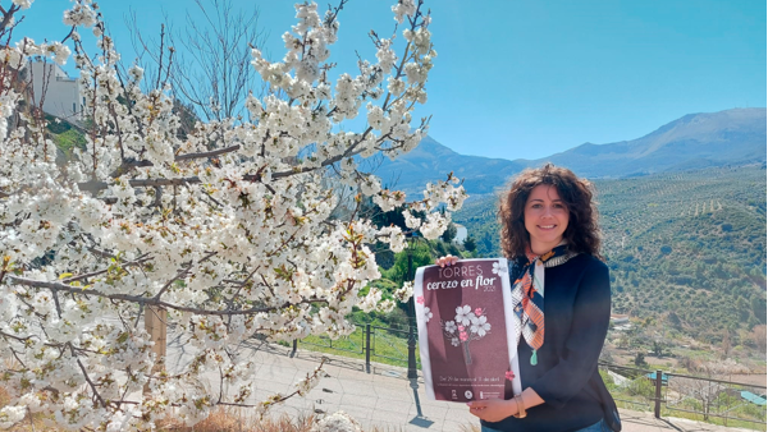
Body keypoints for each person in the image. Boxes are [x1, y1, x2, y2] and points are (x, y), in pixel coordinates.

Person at [436, 163, 620, 432]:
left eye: (558, 205)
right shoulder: (502, 272)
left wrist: (514, 405)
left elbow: (578, 364)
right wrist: (448, 281)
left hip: (571, 422)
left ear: (573, 213)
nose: (547, 214)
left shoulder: (590, 273)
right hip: (502, 421)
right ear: (520, 213)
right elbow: (474, 334)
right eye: (536, 205)